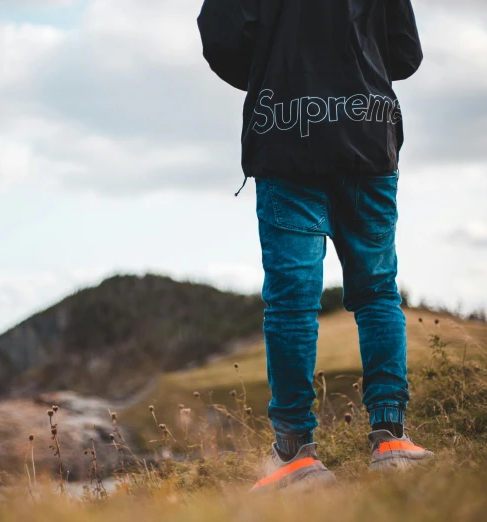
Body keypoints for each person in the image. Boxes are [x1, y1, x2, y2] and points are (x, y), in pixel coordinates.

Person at [198, 0, 433, 491]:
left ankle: (294, 454)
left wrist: (275, 66)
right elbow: (406, 54)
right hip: (366, 131)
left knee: (291, 304)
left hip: (286, 132)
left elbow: (220, 38)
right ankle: (391, 439)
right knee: (376, 292)